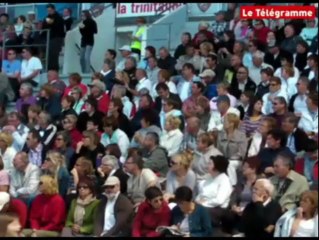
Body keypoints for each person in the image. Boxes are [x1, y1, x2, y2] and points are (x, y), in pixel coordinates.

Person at [195, 155, 232, 226]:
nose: (207, 165)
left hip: (217, 209)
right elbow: (201, 194)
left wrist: (204, 203)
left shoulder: (225, 180)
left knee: (199, 212)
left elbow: (219, 200)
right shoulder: (209, 178)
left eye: (210, 164)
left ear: (217, 166)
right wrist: (197, 201)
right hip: (202, 205)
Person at [217, 113, 248, 186]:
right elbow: (218, 150)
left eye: (225, 121)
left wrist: (231, 158)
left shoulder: (241, 135)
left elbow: (242, 152)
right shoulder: (221, 135)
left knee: (230, 164)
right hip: (223, 159)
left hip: (236, 160)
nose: (223, 123)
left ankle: (233, 185)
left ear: (232, 124)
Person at [41, 4, 65, 71]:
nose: (49, 12)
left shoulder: (58, 17)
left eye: (50, 10)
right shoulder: (47, 17)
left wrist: (50, 23)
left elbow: (58, 27)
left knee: (54, 56)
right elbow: (44, 26)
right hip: (49, 38)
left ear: (54, 9)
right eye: (48, 10)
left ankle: (54, 70)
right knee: (49, 56)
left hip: (56, 38)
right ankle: (49, 70)